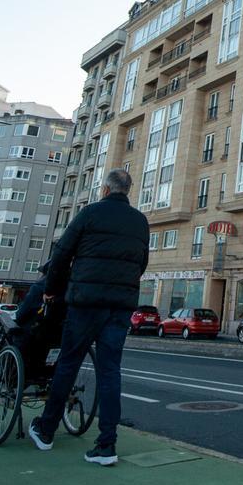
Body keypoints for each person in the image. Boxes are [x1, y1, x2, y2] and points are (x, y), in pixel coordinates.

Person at [28, 168, 149, 466]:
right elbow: (141, 263)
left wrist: (52, 290)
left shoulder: (89, 214)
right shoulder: (140, 221)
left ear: (106, 190)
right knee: (110, 373)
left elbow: (61, 254)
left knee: (68, 363)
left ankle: (46, 430)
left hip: (85, 303)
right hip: (120, 306)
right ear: (127, 191)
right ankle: (106, 445)